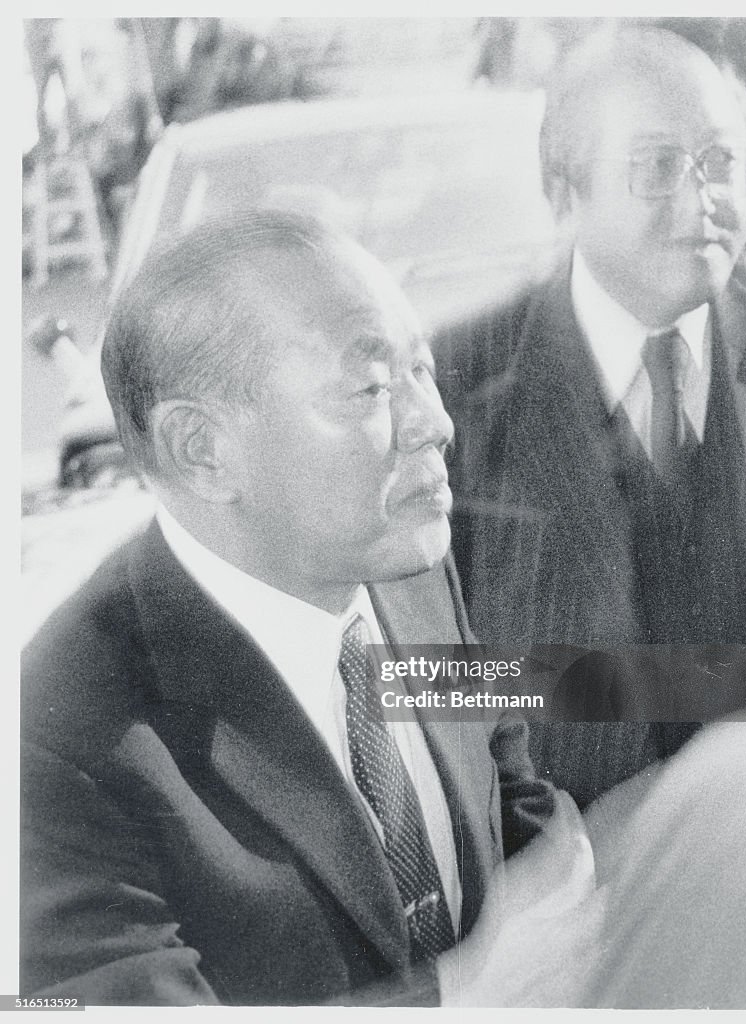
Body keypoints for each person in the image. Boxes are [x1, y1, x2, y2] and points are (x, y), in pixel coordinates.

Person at [21, 211, 564, 1006]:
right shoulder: (55, 742)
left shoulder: (409, 565)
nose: (436, 424)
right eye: (372, 388)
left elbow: (504, 784)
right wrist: (469, 996)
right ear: (202, 451)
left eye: (424, 371)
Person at [435, 25, 746, 805]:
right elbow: (419, 684)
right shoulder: (453, 395)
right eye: (655, 168)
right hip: (571, 868)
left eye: (722, 162)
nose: (703, 201)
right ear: (562, 191)